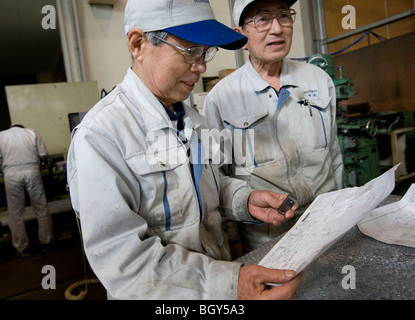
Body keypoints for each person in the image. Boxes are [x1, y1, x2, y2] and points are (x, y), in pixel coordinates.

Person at [67, 0, 303, 300]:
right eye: (190, 50)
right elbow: (126, 263)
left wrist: (245, 200)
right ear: (138, 44)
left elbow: (207, 188)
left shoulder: (194, 121)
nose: (202, 65)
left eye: (205, 52)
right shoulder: (101, 137)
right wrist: (230, 284)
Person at [204, 0, 343, 253]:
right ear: (241, 36)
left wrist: (342, 209)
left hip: (326, 221)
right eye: (263, 20)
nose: (277, 28)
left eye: (283, 16)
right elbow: (217, 177)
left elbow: (334, 155)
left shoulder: (318, 80)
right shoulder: (221, 97)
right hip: (267, 234)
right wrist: (232, 238)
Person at [0, 124, 53, 257]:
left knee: (16, 213)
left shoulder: (0, 135)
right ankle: (46, 242)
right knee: (41, 209)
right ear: (22, 127)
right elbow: (43, 154)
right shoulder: (32, 133)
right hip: (32, 171)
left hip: (11, 174)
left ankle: (23, 248)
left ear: (11, 127)